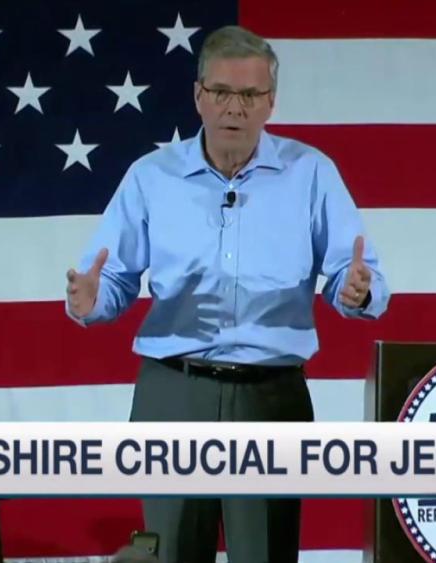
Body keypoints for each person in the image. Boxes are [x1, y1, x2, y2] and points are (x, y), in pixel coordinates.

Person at [66, 24, 390, 563]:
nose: (234, 107)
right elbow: (112, 280)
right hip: (174, 390)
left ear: (271, 102)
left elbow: (357, 276)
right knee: (169, 554)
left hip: (270, 395)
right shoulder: (152, 177)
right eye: (220, 92)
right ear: (198, 96)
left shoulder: (310, 174)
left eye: (249, 94)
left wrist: (356, 292)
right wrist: (91, 301)